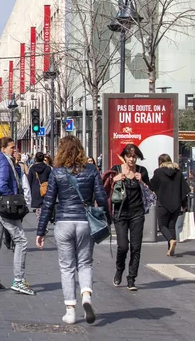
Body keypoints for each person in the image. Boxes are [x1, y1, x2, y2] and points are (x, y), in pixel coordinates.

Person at [36, 136, 110, 325]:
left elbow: (49, 202)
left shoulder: (57, 173)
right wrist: (107, 219)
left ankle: (70, 310)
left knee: (67, 267)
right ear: (80, 150)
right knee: (85, 263)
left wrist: (41, 230)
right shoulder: (92, 170)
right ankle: (86, 295)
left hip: (63, 222)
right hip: (85, 222)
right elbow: (102, 197)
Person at [0, 137, 34, 295]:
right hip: (4, 207)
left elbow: (10, 179)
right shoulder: (3, 162)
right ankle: (19, 280)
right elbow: (2, 185)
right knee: (21, 240)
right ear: (3, 149)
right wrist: (12, 200)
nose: (15, 150)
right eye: (12, 147)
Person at [109, 144, 150, 291]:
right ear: (124, 157)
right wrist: (115, 179)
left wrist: (142, 182)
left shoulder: (142, 171)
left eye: (134, 156)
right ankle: (119, 269)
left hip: (137, 213)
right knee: (123, 246)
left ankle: (131, 278)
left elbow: (151, 193)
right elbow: (106, 187)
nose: (132, 159)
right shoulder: (117, 169)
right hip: (120, 213)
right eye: (129, 156)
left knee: (136, 247)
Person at [150, 154, 190, 257]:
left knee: (162, 226)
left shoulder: (158, 172)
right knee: (172, 226)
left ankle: (171, 241)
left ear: (160, 162)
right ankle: (170, 249)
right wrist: (184, 204)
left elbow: (152, 186)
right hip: (176, 204)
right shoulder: (179, 173)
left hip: (163, 203)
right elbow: (183, 190)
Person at [27, 152, 52, 221]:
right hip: (45, 189)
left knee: (38, 207)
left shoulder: (32, 168)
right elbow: (51, 179)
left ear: (35, 159)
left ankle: (40, 220)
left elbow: (29, 180)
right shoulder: (47, 168)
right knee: (45, 205)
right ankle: (44, 219)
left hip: (35, 189)